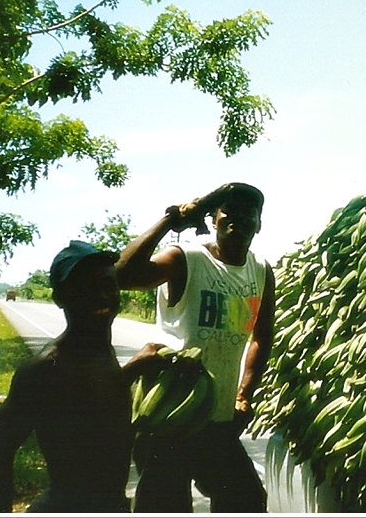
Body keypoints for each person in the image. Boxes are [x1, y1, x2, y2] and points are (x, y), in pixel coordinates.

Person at [115, 182, 276, 513]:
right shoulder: (186, 259)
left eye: (250, 212)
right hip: (167, 417)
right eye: (229, 209)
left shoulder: (260, 270)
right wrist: (170, 221)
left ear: (259, 224)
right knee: (166, 507)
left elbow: (262, 335)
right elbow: (122, 275)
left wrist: (243, 396)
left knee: (245, 500)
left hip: (217, 420)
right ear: (214, 219)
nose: (240, 216)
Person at [0, 240, 166, 513]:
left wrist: (134, 367)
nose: (100, 296)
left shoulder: (98, 347)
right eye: (83, 288)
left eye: (108, 285)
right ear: (59, 297)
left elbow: (87, 401)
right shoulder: (45, 368)